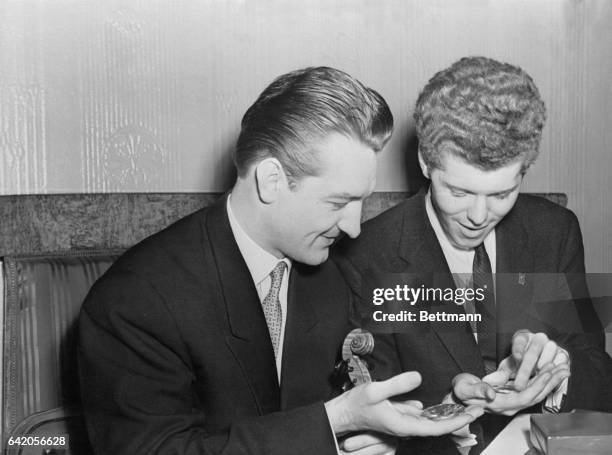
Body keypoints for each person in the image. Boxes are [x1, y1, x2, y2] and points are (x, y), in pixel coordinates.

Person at [78, 66, 483, 455]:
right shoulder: (133, 301)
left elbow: (372, 397)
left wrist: (442, 410)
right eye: (339, 202)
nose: (355, 228)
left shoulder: (338, 268)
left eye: (362, 202)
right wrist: (332, 425)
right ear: (271, 180)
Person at [337, 57, 612, 453]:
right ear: (425, 164)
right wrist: (447, 415)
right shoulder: (366, 255)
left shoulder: (555, 231)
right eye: (460, 193)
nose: (479, 217)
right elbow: (371, 412)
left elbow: (599, 373)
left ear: (524, 172)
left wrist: (557, 374)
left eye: (502, 194)